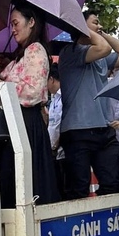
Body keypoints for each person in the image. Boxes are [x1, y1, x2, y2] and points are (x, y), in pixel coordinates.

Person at [0, 0, 59, 205]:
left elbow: (32, 92)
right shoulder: (22, 54)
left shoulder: (35, 49)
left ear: (31, 22)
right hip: (16, 122)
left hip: (25, 122)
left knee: (24, 181)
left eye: (16, 23)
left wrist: (2, 85)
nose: (13, 29)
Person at [58, 10, 119, 199]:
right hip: (77, 131)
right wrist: (81, 27)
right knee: (79, 188)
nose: (99, 26)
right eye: (95, 22)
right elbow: (104, 48)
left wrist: (100, 32)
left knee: (111, 184)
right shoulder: (69, 53)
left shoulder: (101, 58)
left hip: (104, 130)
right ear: (81, 26)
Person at [45, 64, 66, 196]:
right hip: (54, 151)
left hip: (62, 150)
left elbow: (62, 124)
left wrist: (56, 145)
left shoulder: (65, 97)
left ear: (51, 79)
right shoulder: (53, 99)